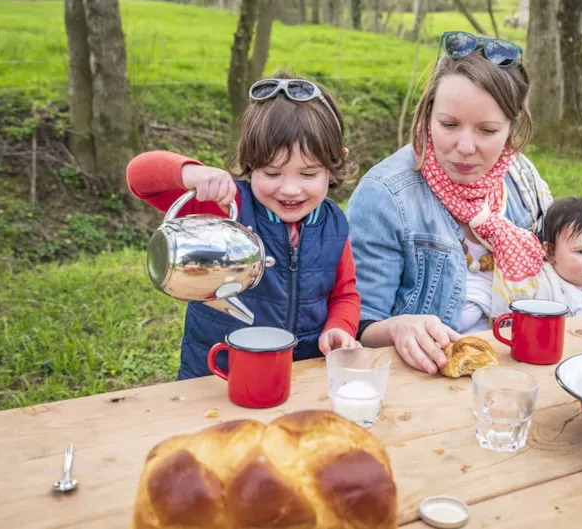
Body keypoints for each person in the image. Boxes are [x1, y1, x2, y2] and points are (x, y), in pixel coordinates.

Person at [126, 73, 361, 379]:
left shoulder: (334, 224)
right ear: (250, 162)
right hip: (218, 375)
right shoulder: (227, 207)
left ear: (334, 166)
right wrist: (190, 174)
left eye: (308, 174)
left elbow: (345, 294)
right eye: (272, 173)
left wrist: (339, 327)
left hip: (301, 377)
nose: (290, 189)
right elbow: (139, 177)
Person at [345, 31, 554, 375]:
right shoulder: (385, 195)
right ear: (428, 114)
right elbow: (358, 325)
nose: (466, 146)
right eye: (449, 124)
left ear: (513, 123)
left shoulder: (520, 180)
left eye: (487, 131)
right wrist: (399, 328)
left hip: (514, 372)